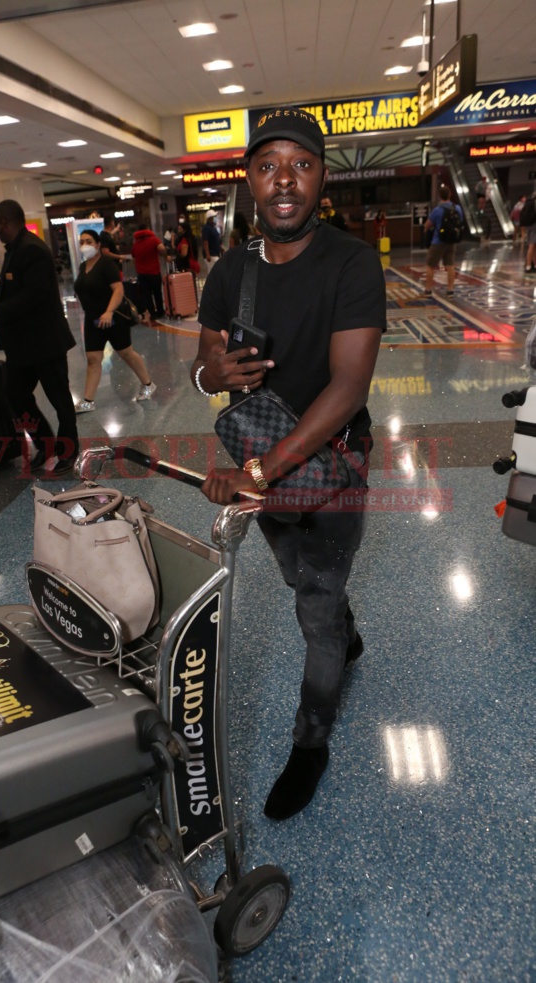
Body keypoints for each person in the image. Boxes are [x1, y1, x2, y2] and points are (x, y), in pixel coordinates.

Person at [190, 107, 386, 821]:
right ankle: (344, 623)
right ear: (247, 178)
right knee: (300, 574)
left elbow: (348, 386)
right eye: (269, 164)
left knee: (313, 605)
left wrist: (262, 471)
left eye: (301, 165)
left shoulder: (351, 263)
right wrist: (211, 374)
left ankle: (311, 743)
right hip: (262, 463)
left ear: (322, 179)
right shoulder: (230, 270)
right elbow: (202, 370)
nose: (284, 180)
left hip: (331, 462)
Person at [0, 199, 79, 476]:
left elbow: (34, 296)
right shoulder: (16, 249)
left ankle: (68, 451)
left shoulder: (32, 250)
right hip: (23, 345)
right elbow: (10, 290)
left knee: (59, 399)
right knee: (15, 394)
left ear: (3, 221)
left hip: (45, 342)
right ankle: (46, 442)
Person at [73, 229, 155, 411]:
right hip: (92, 319)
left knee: (127, 353)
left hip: (113, 318)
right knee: (93, 359)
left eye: (88, 241)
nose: (84, 245)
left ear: (98, 244)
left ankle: (148, 384)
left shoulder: (106, 264)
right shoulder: (82, 266)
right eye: (82, 242)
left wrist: (109, 311)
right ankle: (88, 400)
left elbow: (118, 290)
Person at [423, 185, 464, 297]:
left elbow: (427, 224)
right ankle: (450, 290)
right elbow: (461, 221)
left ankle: (428, 289)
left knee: (430, 265)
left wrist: (426, 230)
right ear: (450, 195)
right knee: (450, 265)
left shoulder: (438, 210)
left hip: (438, 241)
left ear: (439, 196)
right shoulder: (457, 208)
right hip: (451, 240)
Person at [131, 223, 166, 323]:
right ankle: (160, 312)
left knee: (147, 295)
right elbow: (162, 249)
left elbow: (134, 259)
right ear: (147, 229)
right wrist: (164, 256)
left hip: (142, 274)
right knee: (157, 293)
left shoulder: (135, 244)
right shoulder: (154, 239)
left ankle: (152, 314)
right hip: (154, 272)